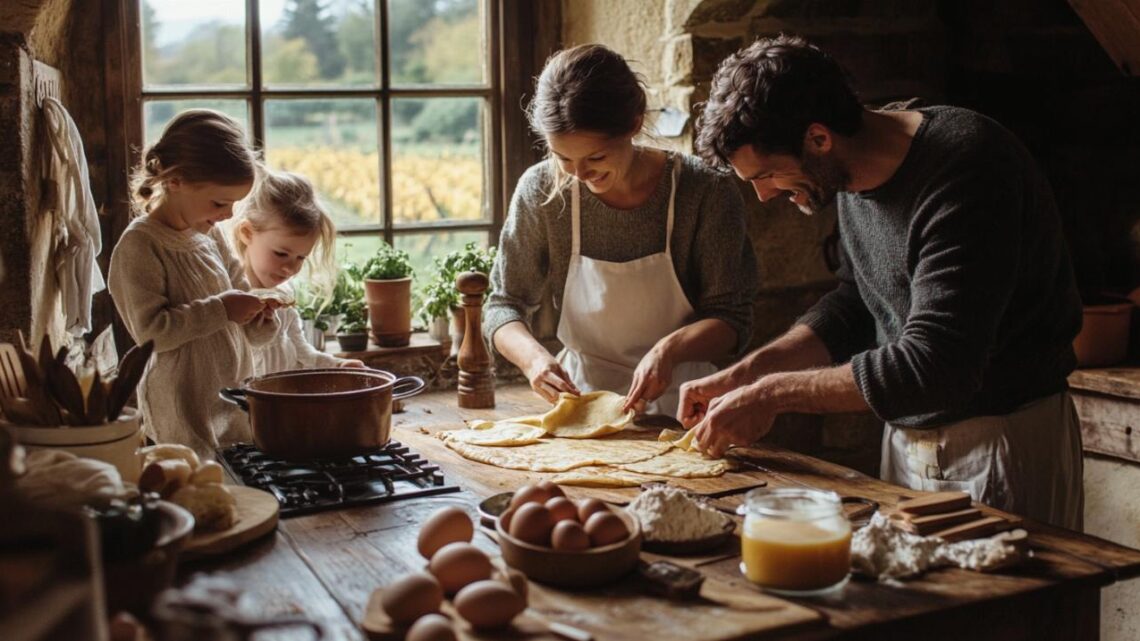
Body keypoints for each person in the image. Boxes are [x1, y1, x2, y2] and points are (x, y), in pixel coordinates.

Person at [683, 34, 1084, 529]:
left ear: (819, 138)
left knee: (1003, 606)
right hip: (907, 439)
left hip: (999, 443)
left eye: (766, 175)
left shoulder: (969, 169)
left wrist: (772, 395)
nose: (764, 196)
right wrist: (752, 372)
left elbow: (936, 365)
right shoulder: (849, 173)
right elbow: (858, 301)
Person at [484, 44, 758, 416]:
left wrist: (668, 351)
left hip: (685, 405)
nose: (578, 175)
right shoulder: (540, 190)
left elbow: (732, 319)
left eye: (595, 157)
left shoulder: (705, 191)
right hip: (579, 404)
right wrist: (534, 361)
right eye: (563, 157)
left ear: (634, 123)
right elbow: (503, 305)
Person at [108, 109, 280, 459]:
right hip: (180, 403)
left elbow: (240, 301)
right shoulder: (140, 245)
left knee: (240, 482)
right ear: (175, 181)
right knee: (193, 483)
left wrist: (259, 318)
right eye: (219, 202)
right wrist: (223, 309)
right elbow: (151, 333)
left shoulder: (210, 236)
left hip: (231, 394)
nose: (228, 214)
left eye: (233, 204)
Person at [230, 169, 365, 373]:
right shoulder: (231, 299)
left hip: (285, 401)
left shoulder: (284, 296)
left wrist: (338, 365)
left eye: (301, 257)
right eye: (281, 254)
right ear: (247, 233)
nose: (291, 268)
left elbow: (304, 354)